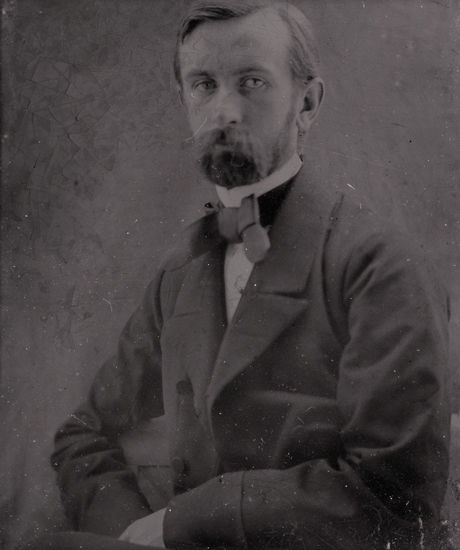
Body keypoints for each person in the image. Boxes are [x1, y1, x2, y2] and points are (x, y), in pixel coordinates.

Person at [48, 1, 451, 549]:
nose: (224, 111)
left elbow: (394, 498)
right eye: (203, 85)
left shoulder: (377, 264)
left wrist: (180, 523)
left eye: (252, 82)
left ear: (307, 103)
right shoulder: (181, 270)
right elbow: (83, 434)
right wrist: (130, 537)